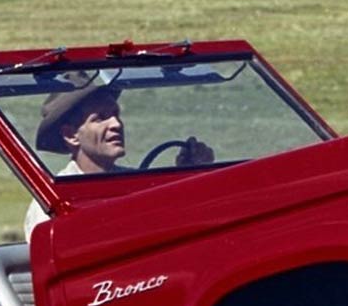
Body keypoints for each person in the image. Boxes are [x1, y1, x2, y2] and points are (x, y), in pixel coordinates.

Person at [23, 73, 211, 233]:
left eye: (116, 114)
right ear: (71, 135)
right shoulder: (53, 200)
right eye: (100, 118)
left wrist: (194, 174)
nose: (116, 124)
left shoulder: (133, 182)